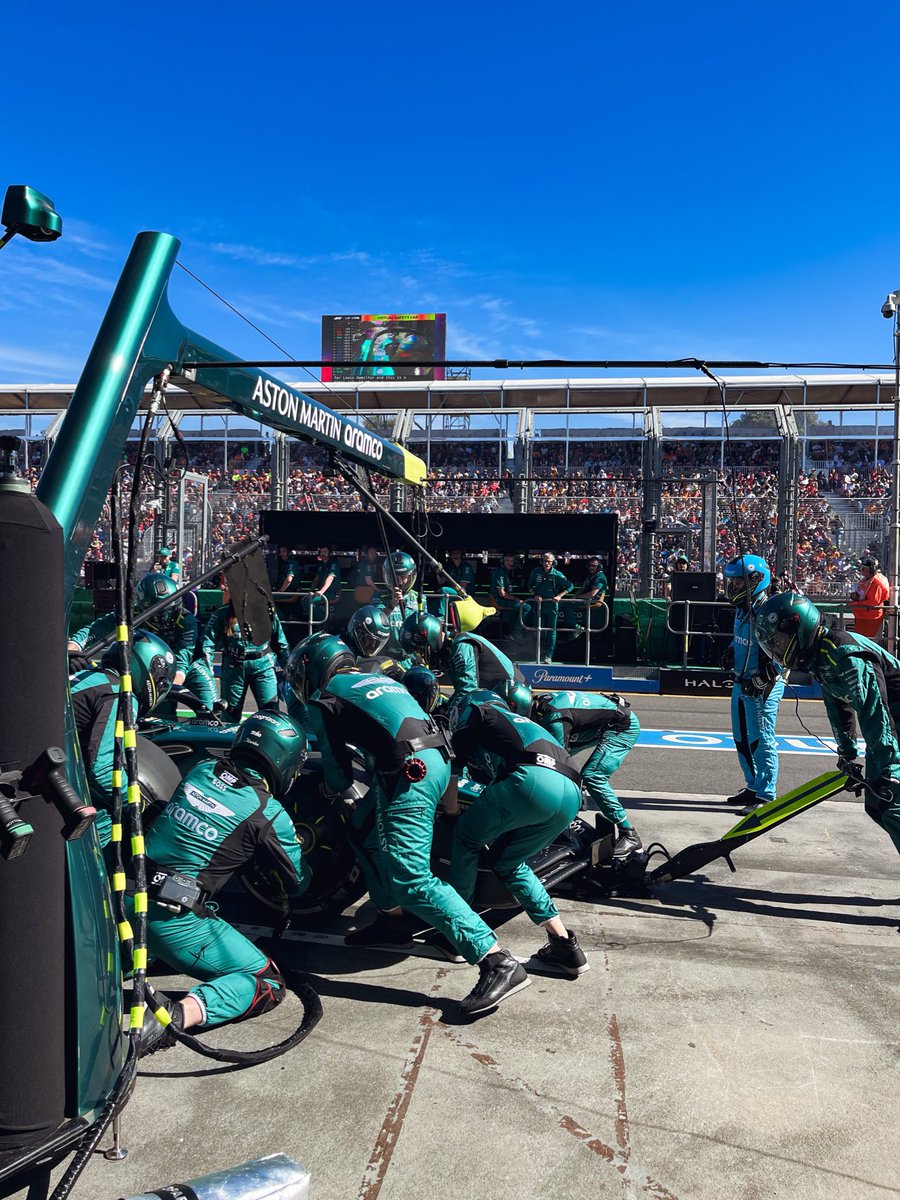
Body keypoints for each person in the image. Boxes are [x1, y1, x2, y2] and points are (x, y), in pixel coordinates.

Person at [286, 634, 530, 1016]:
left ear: (310, 668)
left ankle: (497, 960)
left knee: (411, 877)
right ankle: (392, 921)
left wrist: (334, 794)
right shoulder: (377, 677)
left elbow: (335, 769)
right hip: (428, 760)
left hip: (408, 772)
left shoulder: (326, 695)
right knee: (362, 833)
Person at [136, 712, 310, 1054]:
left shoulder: (200, 769)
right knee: (268, 983)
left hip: (121, 894)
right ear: (285, 759)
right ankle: (173, 1016)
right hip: (169, 917)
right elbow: (299, 882)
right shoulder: (268, 812)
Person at [447, 690, 588, 979]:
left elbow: (453, 777)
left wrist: (451, 814)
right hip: (571, 790)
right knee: (510, 862)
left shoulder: (476, 713)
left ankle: (458, 932)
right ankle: (565, 944)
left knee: (465, 838)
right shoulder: (519, 724)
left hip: (530, 779)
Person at [754, 592, 900, 858]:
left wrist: (888, 766)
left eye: (779, 641)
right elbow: (838, 708)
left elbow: (874, 711)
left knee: (891, 803)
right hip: (890, 726)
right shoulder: (820, 657)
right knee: (877, 805)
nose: (777, 649)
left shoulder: (843, 654)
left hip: (891, 724)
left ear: (799, 627)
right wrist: (846, 754)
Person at [70, 632, 175, 847]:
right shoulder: (120, 694)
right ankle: (94, 876)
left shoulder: (93, 676)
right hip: (51, 777)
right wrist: (141, 804)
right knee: (108, 815)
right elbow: (102, 768)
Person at [68, 573, 217, 715]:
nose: (165, 619)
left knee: (210, 706)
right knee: (158, 713)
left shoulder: (187, 621)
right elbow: (97, 628)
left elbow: (183, 657)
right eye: (158, 613)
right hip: (155, 669)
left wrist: (175, 685)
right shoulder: (132, 614)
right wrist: (75, 645)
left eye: (169, 611)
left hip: (189, 667)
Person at [531, 689, 641, 857]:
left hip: (621, 727)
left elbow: (560, 763)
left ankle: (629, 834)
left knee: (592, 776)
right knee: (546, 763)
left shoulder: (554, 717)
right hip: (597, 725)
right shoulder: (541, 706)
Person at [721, 555, 785, 813]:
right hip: (740, 681)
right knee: (741, 739)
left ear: (757, 581)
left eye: (738, 584)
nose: (733, 588)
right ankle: (752, 786)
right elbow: (741, 641)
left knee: (761, 739)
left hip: (763, 686)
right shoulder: (740, 609)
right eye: (732, 583)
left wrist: (761, 680)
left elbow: (783, 655)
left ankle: (766, 794)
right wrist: (729, 651)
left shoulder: (769, 611)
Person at [201, 578, 291, 722]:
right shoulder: (222, 614)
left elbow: (281, 643)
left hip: (263, 667)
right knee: (230, 714)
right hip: (233, 669)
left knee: (271, 714)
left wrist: (287, 670)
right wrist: (207, 666)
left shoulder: (267, 613)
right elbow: (207, 643)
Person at [525, 552, 574, 663]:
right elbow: (529, 585)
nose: (547, 563)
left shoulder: (557, 574)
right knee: (539, 630)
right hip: (539, 605)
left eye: (549, 561)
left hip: (552, 605)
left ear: (553, 562)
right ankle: (537, 653)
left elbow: (570, 585)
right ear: (542, 561)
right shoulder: (536, 572)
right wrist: (535, 595)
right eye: (545, 561)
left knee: (552, 631)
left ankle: (548, 656)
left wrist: (559, 596)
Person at [345, 604, 409, 679]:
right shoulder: (342, 653)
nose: (372, 646)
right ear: (358, 632)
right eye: (369, 639)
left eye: (377, 642)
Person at [299, 544, 342, 629]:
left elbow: (330, 578)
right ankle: (319, 624)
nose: (323, 554)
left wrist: (321, 591)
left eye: (325, 552)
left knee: (308, 602)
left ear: (330, 553)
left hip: (331, 593)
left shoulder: (334, 564)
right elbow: (316, 579)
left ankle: (325, 622)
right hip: (321, 593)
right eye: (321, 552)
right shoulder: (321, 564)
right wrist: (310, 592)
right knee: (304, 601)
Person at [848, 555, 890, 639]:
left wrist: (854, 603)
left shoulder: (876, 582)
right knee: (859, 639)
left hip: (869, 617)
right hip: (863, 614)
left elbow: (872, 602)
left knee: (863, 641)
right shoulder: (868, 579)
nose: (861, 571)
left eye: (863, 569)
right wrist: (854, 596)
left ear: (872, 569)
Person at [489, 553, 524, 641]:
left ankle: (512, 633)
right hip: (500, 600)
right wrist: (516, 599)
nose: (510, 563)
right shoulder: (500, 573)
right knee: (526, 607)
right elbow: (502, 593)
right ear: (502, 562)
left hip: (505, 600)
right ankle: (516, 634)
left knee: (515, 613)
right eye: (507, 561)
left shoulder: (505, 572)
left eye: (512, 561)